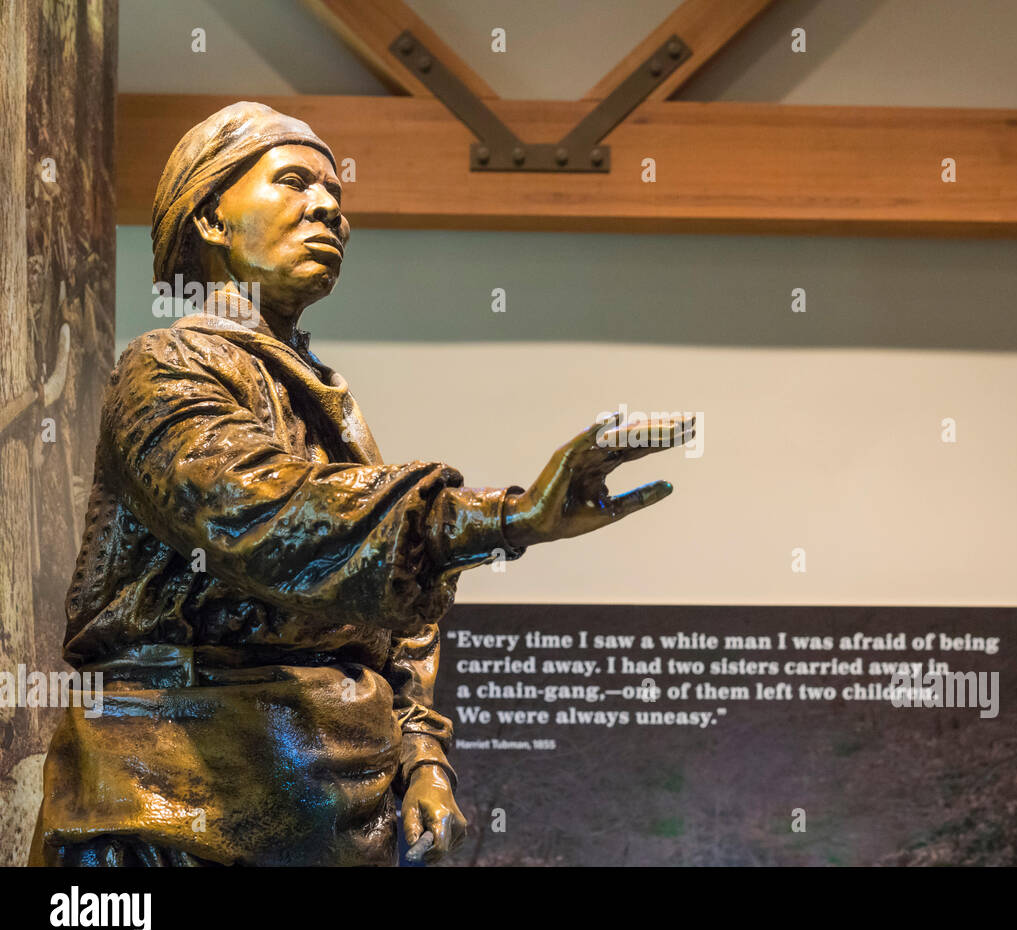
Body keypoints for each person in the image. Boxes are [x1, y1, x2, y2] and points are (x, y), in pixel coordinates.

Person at [28, 102, 691, 867]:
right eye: (294, 182)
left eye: (337, 194)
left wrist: (422, 758)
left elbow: (387, 613)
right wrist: (510, 518)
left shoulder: (329, 396)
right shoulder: (167, 367)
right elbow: (264, 518)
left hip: (335, 808)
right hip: (168, 807)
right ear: (210, 218)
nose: (331, 209)